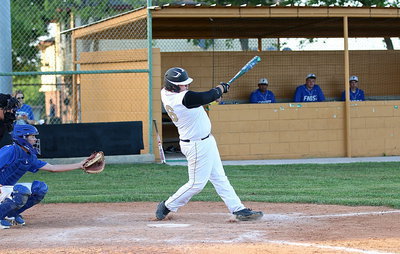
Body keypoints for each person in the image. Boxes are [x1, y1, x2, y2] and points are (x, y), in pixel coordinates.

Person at [156, 67, 263, 221]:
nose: (186, 86)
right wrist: (219, 90)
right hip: (196, 145)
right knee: (196, 184)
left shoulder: (166, 92)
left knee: (220, 177)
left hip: (206, 141)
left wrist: (214, 95)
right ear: (173, 86)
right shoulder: (180, 99)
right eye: (182, 84)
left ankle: (238, 209)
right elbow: (201, 97)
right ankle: (167, 206)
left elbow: (200, 99)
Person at [0, 124, 87, 229]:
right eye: (32, 137)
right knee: (21, 191)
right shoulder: (11, 150)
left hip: (5, 189)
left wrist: (79, 165)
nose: (35, 140)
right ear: (23, 138)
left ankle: (11, 214)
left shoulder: (30, 156)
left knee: (40, 188)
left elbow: (52, 168)